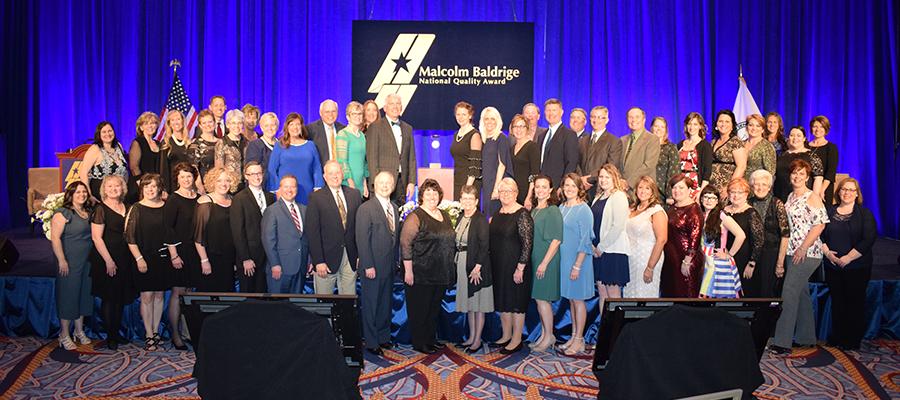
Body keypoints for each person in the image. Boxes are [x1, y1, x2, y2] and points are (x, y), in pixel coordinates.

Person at [768, 159, 829, 355]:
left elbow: (819, 225)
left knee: (789, 293)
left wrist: (803, 248)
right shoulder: (791, 196)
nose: (797, 176)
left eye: (802, 174)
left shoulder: (813, 197)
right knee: (801, 294)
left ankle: (782, 342)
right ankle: (806, 338)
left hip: (806, 253)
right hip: (791, 251)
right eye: (794, 173)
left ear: (808, 177)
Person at [400, 179, 456, 354]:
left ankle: (431, 339)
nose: (432, 196)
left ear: (439, 195)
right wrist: (408, 271)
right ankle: (420, 342)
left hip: (440, 272)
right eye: (428, 193)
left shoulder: (444, 215)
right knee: (420, 309)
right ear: (421, 196)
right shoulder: (415, 216)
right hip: (420, 272)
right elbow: (405, 244)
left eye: (435, 192)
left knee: (433, 309)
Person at [821, 177, 876, 350]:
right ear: (839, 192)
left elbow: (868, 240)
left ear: (857, 194)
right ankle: (837, 336)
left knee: (854, 302)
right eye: (844, 189)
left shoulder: (864, 214)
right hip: (833, 265)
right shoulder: (829, 211)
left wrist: (848, 258)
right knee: (837, 302)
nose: (847, 193)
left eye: (851, 190)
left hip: (856, 267)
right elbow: (820, 235)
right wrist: (828, 254)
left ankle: (851, 339)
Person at [356, 171, 400, 356]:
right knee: (371, 305)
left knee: (384, 304)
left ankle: (383, 337)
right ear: (374, 185)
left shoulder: (395, 208)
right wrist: (367, 265)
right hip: (372, 267)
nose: (385, 185)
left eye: (388, 182)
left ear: (393, 186)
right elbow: (362, 239)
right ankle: (372, 342)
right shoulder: (366, 209)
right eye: (381, 182)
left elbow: (394, 240)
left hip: (389, 267)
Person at [125, 174, 171, 351]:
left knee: (159, 295)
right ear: (142, 189)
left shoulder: (166, 207)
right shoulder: (136, 208)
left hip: (162, 258)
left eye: (153, 186)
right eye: (147, 187)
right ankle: (148, 334)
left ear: (159, 188)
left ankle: (156, 331)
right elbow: (130, 237)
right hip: (143, 258)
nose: (150, 190)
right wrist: (139, 258)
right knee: (147, 296)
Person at [89, 175, 135, 350]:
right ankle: (111, 337)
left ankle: (116, 333)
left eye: (117, 186)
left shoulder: (128, 207)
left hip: (125, 257)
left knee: (120, 296)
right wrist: (109, 261)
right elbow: (96, 238)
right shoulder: (101, 209)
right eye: (109, 186)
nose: (114, 189)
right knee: (109, 297)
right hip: (107, 258)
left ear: (122, 188)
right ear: (104, 189)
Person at [489, 178, 534, 354]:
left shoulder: (522, 214)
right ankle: (506, 335)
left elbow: (527, 244)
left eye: (509, 191)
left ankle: (516, 340)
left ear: (516, 193)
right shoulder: (498, 212)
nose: (505, 194)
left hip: (516, 268)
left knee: (516, 303)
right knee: (503, 302)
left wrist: (520, 267)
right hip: (499, 266)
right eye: (502, 191)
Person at [49, 181, 94, 351]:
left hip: (86, 261)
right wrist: (61, 260)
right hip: (69, 261)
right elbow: (55, 238)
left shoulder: (87, 212)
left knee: (83, 296)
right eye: (78, 192)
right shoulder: (63, 213)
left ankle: (79, 331)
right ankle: (64, 334)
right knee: (68, 296)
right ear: (70, 194)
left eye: (84, 192)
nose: (82, 195)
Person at [307, 161, 362, 295]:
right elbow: (313, 233)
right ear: (324, 177)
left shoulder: (354, 194)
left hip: (350, 257)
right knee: (324, 303)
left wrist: (360, 255)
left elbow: (359, 228)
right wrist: (318, 261)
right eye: (330, 173)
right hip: (326, 260)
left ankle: (346, 318)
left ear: (342, 174)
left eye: (337, 172)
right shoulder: (316, 197)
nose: (335, 176)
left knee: (348, 302)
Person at [162, 162, 199, 350]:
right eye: (182, 176)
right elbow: (167, 229)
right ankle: (175, 335)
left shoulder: (199, 198)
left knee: (191, 293)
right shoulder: (174, 200)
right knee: (178, 293)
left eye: (189, 176)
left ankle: (187, 332)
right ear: (177, 178)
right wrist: (174, 255)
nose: (186, 179)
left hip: (196, 251)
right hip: (179, 252)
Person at [557, 173, 595, 356]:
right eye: (566, 186)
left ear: (579, 188)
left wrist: (577, 265)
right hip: (565, 261)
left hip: (579, 261)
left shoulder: (584, 209)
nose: (569, 189)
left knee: (578, 300)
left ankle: (579, 341)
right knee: (571, 300)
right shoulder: (562, 207)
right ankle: (573, 336)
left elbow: (586, 240)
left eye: (573, 185)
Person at [453, 185, 493, 354]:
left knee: (478, 304)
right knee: (470, 304)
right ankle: (470, 337)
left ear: (476, 201)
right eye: (464, 198)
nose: (467, 202)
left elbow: (485, 246)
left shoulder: (480, 219)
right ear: (461, 200)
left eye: (471, 199)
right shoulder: (461, 217)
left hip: (477, 267)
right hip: (463, 263)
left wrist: (477, 267)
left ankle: (477, 340)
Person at [230, 162, 275, 293]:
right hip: (249, 257)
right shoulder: (239, 199)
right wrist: (245, 258)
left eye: (259, 173)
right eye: (252, 174)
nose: (256, 177)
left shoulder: (270, 197)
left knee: (264, 294)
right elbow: (237, 231)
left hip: (267, 256)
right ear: (246, 176)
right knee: (249, 294)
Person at [528, 175, 562, 353]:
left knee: (543, 300)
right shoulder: (535, 210)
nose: (540, 190)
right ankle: (544, 334)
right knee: (539, 300)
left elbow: (556, 241)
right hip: (536, 259)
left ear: (550, 190)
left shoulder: (553, 210)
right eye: (537, 187)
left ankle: (549, 336)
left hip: (546, 260)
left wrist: (544, 263)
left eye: (544, 187)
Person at [261, 175, 310, 294]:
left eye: (293, 187)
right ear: (280, 189)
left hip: (300, 267)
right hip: (280, 268)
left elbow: (307, 238)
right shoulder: (272, 210)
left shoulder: (304, 209)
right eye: (286, 187)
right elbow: (268, 240)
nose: (290, 190)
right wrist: (275, 264)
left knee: (295, 306)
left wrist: (309, 260)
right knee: (278, 306)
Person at [591, 164, 630, 311]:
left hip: (613, 251)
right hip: (597, 251)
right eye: (601, 176)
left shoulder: (619, 196)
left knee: (613, 296)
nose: (603, 180)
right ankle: (604, 332)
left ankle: (616, 332)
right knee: (602, 294)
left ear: (614, 178)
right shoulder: (598, 197)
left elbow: (618, 226)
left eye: (607, 176)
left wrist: (601, 247)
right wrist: (593, 246)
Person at [193, 167, 239, 292]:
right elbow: (198, 236)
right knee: (210, 297)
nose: (223, 184)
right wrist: (204, 260)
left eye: (227, 180)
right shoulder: (205, 202)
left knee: (227, 296)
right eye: (219, 180)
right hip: (211, 257)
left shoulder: (234, 201)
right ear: (212, 182)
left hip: (229, 257)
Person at [366, 93, 417, 204]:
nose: (395, 107)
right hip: (383, 184)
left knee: (400, 217)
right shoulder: (375, 127)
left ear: (402, 107)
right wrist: (376, 182)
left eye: (398, 104)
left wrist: (412, 182)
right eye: (391, 104)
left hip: (402, 183)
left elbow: (411, 157)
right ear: (385, 108)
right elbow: (372, 157)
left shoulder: (408, 128)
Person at [697, 185, 745, 298]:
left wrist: (729, 254)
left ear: (717, 201)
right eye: (706, 197)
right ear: (701, 199)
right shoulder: (699, 214)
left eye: (712, 198)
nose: (709, 200)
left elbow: (741, 235)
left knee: (717, 297)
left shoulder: (722, 215)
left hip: (717, 261)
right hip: (701, 259)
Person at [660, 174, 704, 297]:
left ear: (689, 190)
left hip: (686, 261)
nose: (677, 191)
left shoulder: (694, 210)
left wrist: (687, 261)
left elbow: (695, 239)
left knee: (685, 295)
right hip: (670, 260)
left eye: (681, 187)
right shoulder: (672, 208)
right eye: (674, 187)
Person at [623, 176, 667, 298]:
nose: (643, 191)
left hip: (648, 259)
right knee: (630, 296)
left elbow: (662, 240)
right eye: (640, 187)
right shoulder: (632, 209)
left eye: (647, 188)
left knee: (645, 295)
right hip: (631, 260)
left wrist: (650, 267)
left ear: (653, 191)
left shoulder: (656, 211)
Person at [266, 112, 323, 205]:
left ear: (301, 126)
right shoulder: (280, 145)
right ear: (287, 127)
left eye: (297, 124)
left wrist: (318, 188)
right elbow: (272, 169)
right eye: (291, 124)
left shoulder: (310, 145)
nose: (295, 127)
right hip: (285, 191)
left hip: (307, 191)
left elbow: (316, 168)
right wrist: (277, 189)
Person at [748, 169, 789, 298]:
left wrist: (780, 263)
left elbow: (785, 235)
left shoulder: (777, 204)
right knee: (751, 291)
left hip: (771, 254)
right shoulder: (747, 203)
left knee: (767, 293)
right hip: (751, 253)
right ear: (751, 186)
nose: (760, 188)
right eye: (756, 184)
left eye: (764, 184)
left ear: (770, 186)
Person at [723, 178, 764, 296]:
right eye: (732, 192)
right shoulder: (724, 211)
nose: (736, 195)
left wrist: (751, 264)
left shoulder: (751, 213)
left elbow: (759, 241)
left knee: (744, 291)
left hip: (745, 259)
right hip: (726, 258)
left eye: (740, 192)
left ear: (746, 194)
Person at [577, 106, 623, 199]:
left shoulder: (614, 141)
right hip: (581, 188)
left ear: (606, 120)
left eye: (600, 117)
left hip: (600, 187)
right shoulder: (582, 140)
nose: (596, 120)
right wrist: (580, 179)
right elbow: (577, 162)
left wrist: (589, 179)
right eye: (593, 117)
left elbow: (611, 166)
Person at [535, 98, 579, 188]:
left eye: (554, 110)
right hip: (542, 188)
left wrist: (563, 186)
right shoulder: (541, 136)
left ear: (561, 112)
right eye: (548, 110)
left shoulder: (569, 135)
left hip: (558, 186)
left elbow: (571, 163)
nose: (551, 113)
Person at [79, 121, 128, 200]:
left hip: (119, 191)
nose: (107, 134)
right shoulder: (95, 149)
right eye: (104, 132)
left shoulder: (118, 146)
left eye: (110, 131)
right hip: (101, 191)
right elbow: (83, 173)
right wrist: (89, 195)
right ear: (99, 134)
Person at [774, 126, 824, 202]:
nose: (795, 138)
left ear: (804, 138)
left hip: (803, 198)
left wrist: (814, 197)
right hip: (780, 196)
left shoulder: (812, 156)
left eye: (798, 135)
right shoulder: (781, 155)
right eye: (792, 135)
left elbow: (818, 178)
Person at [480, 106, 513, 217]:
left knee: (493, 216)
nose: (489, 121)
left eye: (493, 119)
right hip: (484, 183)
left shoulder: (501, 138)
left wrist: (496, 188)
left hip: (494, 183)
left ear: (497, 121)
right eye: (487, 118)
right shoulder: (483, 139)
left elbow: (502, 165)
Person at [620, 107, 661, 189]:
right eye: (631, 117)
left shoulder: (652, 139)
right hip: (622, 188)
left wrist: (628, 183)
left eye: (637, 117)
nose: (633, 120)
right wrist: (619, 181)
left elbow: (648, 166)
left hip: (642, 188)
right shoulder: (622, 140)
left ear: (644, 120)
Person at [335, 101, 369, 198]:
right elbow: (342, 161)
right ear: (348, 117)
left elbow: (363, 162)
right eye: (354, 114)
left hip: (360, 183)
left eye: (360, 114)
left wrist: (364, 184)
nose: (357, 116)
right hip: (348, 183)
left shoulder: (362, 136)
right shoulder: (343, 134)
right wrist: (351, 183)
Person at [449, 101, 482, 201]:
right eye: (458, 114)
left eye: (464, 114)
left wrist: (467, 188)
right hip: (457, 179)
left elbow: (475, 164)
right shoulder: (456, 134)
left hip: (469, 182)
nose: (460, 117)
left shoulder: (474, 135)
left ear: (470, 116)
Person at [709, 110, 747, 194]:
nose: (723, 124)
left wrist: (729, 187)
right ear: (716, 124)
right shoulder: (713, 142)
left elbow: (741, 166)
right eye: (720, 121)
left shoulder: (736, 142)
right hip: (711, 187)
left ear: (732, 126)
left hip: (725, 188)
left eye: (727, 122)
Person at [160, 110, 196, 193]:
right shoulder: (166, 143)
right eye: (172, 120)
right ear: (169, 124)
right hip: (173, 185)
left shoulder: (190, 142)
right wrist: (164, 189)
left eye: (178, 119)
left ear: (183, 121)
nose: (176, 122)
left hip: (189, 184)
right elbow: (163, 169)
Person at [128, 112, 161, 202]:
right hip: (141, 187)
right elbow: (134, 167)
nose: (150, 126)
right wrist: (142, 185)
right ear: (141, 127)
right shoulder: (137, 142)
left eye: (153, 123)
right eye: (146, 123)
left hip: (156, 186)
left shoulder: (159, 143)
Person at [679, 112, 713, 199]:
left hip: (696, 186)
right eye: (689, 124)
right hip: (680, 185)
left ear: (700, 126)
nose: (692, 127)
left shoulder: (705, 145)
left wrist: (701, 192)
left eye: (695, 124)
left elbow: (707, 171)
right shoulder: (680, 144)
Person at [510, 114, 540, 209]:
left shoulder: (532, 147)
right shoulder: (511, 149)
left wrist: (529, 197)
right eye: (516, 126)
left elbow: (534, 174)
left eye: (522, 126)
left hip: (526, 193)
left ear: (527, 128)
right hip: (513, 194)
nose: (518, 130)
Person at [807, 116, 839, 205]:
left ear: (826, 129)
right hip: (806, 186)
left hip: (824, 188)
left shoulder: (831, 148)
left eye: (821, 127)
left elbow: (831, 172)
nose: (818, 129)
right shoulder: (805, 146)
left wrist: (821, 190)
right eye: (815, 126)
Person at [308, 99, 347, 168]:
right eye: (327, 112)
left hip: (341, 173)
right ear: (320, 113)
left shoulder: (343, 129)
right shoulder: (311, 130)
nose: (330, 115)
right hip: (321, 173)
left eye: (333, 111)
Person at [244, 112, 279, 189]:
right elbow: (252, 171)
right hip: (263, 188)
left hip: (281, 189)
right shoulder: (255, 145)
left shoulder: (282, 145)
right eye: (266, 125)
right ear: (262, 128)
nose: (270, 128)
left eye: (273, 125)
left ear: (277, 127)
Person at [651, 116, 681, 204]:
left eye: (662, 127)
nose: (659, 129)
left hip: (663, 193)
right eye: (656, 126)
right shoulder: (646, 147)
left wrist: (670, 195)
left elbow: (674, 172)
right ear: (651, 128)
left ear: (665, 130)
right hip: (647, 191)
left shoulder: (671, 147)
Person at [215, 109, 246, 191]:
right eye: (233, 123)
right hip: (229, 186)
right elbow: (219, 168)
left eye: (239, 123)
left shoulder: (247, 142)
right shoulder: (222, 142)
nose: (237, 126)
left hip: (246, 184)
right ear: (228, 125)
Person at [743, 114, 776, 182]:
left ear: (762, 129)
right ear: (746, 127)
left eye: (758, 126)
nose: (754, 128)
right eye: (751, 125)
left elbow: (770, 172)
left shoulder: (767, 146)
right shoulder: (741, 144)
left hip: (758, 186)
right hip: (741, 187)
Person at [188, 110, 220, 180]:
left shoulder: (222, 142)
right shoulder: (195, 145)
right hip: (205, 185)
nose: (207, 125)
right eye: (204, 123)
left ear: (214, 123)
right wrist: (200, 188)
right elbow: (194, 170)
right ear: (200, 126)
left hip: (222, 184)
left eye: (210, 122)